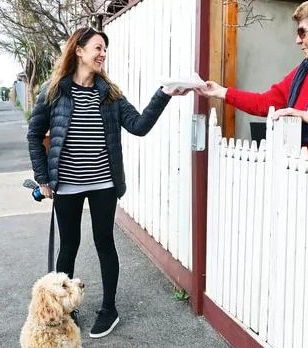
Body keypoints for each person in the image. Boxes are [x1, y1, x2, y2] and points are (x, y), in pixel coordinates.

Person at [27, 26, 188, 339]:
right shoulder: (54, 90)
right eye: (97, 48)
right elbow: (34, 134)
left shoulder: (110, 95)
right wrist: (42, 178)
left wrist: (164, 94)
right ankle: (65, 307)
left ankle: (109, 309)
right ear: (79, 50)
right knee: (68, 246)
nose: (102, 54)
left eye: (104, 49)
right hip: (68, 184)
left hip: (103, 183)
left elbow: (139, 126)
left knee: (104, 242)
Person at [196, 0, 308, 164]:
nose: (297, 40)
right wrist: (222, 92)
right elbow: (265, 103)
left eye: (302, 32)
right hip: (302, 170)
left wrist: (307, 116)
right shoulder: (302, 72)